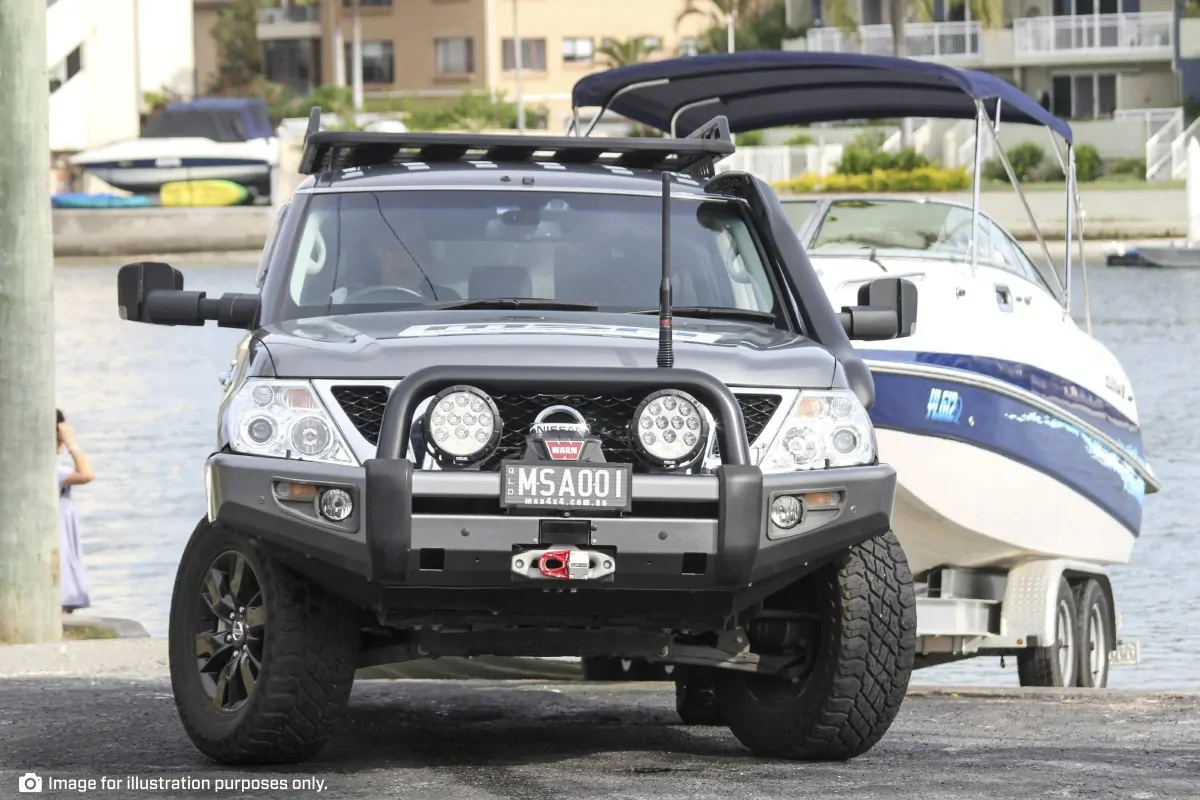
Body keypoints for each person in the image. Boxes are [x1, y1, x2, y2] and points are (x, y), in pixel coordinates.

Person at [57, 410, 95, 614]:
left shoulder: (54, 468)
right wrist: (72, 444)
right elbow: (86, 474)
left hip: (63, 532)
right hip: (58, 534)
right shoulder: (50, 469)